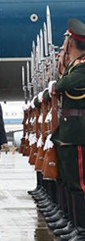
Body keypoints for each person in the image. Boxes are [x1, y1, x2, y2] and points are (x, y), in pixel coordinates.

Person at [47, 18, 85, 240]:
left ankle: (81, 229)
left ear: (72, 43)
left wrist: (55, 85)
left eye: (66, 43)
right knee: (70, 181)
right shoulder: (73, 66)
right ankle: (74, 223)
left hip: (78, 131)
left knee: (78, 182)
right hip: (70, 131)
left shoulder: (81, 67)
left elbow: (63, 85)